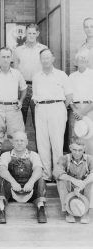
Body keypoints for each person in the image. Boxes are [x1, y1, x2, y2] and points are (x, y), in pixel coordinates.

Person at [32, 48, 73, 181]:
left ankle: (58, 175)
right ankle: (46, 176)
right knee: (42, 143)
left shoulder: (61, 75)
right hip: (41, 109)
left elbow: (69, 96)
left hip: (57, 108)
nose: (45, 60)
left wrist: (59, 108)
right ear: (40, 60)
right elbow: (35, 96)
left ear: (53, 59)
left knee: (57, 143)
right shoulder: (36, 76)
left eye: (48, 57)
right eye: (43, 58)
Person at [0, 131, 47, 224]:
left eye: (22, 140)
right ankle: (1, 209)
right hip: (12, 190)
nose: (19, 143)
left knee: (40, 179)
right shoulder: (6, 155)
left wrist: (31, 182)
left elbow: (39, 170)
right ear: (12, 142)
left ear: (27, 142)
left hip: (29, 189)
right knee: (0, 179)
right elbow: (2, 170)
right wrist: (13, 183)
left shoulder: (33, 155)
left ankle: (41, 208)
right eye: (16, 140)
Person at [13, 24, 47, 129]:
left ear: (37, 34)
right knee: (19, 120)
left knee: (38, 121)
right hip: (22, 88)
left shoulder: (43, 49)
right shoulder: (18, 50)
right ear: (25, 34)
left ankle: (40, 146)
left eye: (33, 33)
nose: (31, 36)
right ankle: (19, 145)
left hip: (38, 87)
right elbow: (14, 70)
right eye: (29, 33)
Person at [54, 137, 93, 223]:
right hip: (70, 188)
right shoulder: (64, 158)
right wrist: (73, 180)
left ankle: (86, 212)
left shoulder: (89, 159)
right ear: (70, 148)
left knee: (91, 182)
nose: (77, 153)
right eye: (74, 149)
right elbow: (56, 172)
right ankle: (69, 212)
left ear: (84, 148)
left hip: (84, 188)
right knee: (61, 181)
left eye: (80, 150)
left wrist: (83, 183)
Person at [69, 49, 93, 155]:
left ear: (87, 62)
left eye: (84, 59)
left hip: (89, 108)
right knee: (77, 137)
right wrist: (76, 110)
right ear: (76, 62)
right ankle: (78, 168)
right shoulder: (71, 76)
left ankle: (91, 167)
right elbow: (69, 96)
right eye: (79, 59)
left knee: (89, 137)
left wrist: (83, 112)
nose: (82, 61)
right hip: (76, 110)